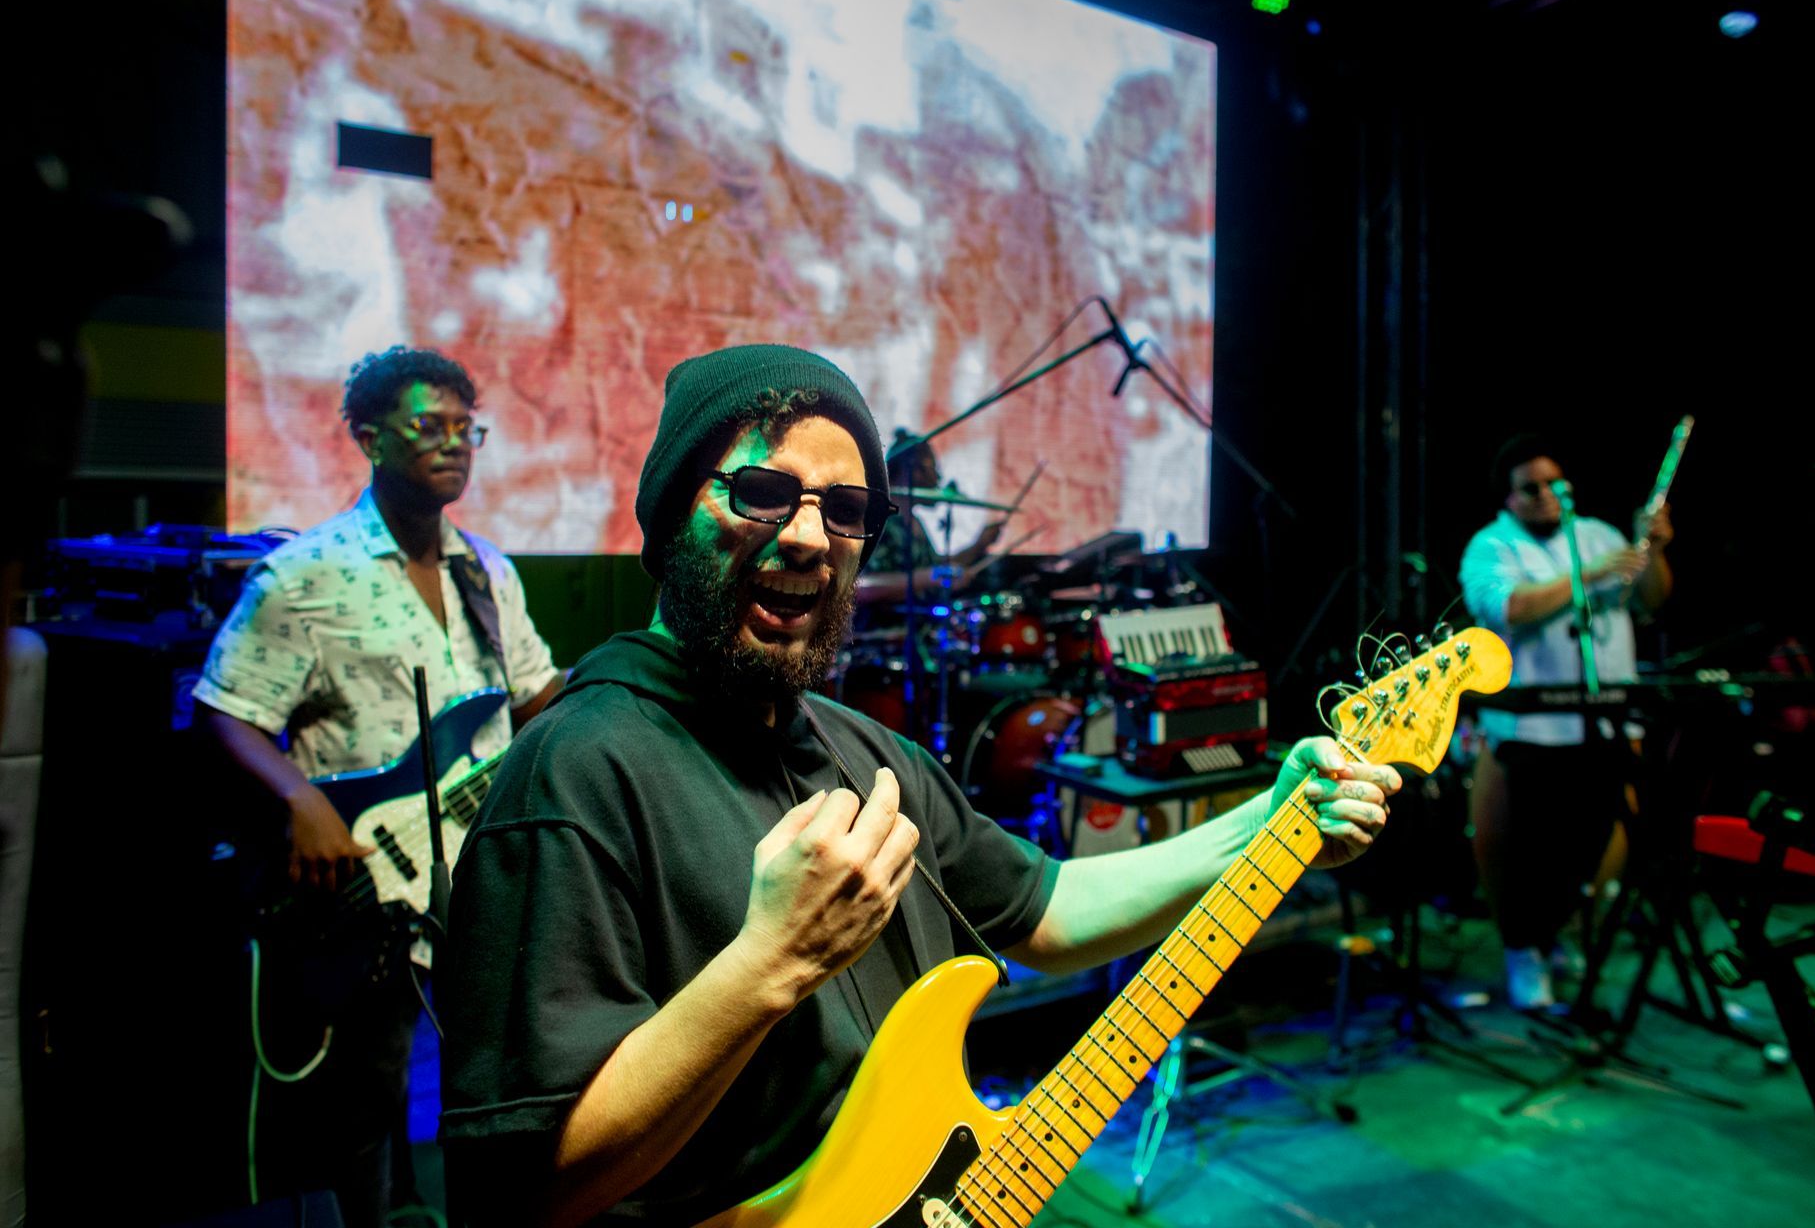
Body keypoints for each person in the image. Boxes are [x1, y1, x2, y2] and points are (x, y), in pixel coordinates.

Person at [437, 343, 1399, 1227]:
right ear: (672, 510)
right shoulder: (573, 772)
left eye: (847, 512)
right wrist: (768, 964)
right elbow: (520, 1189)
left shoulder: (868, 756)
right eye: (764, 492)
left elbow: (1051, 912)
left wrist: (1271, 821)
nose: (812, 537)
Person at [194, 345, 561, 1226]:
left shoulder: (489, 572)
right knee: (365, 1109)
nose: (453, 445)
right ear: (368, 437)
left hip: (480, 874)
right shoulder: (306, 574)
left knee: (492, 1085)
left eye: (465, 429)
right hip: (369, 883)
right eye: (427, 426)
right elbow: (225, 710)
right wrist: (302, 801)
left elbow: (537, 696)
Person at [1457, 433, 1673, 1010]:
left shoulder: (1597, 534)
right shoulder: (1491, 546)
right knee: (1528, 849)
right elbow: (1509, 608)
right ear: (1509, 498)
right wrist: (1592, 574)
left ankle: (1562, 937)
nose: (1548, 496)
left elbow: (1650, 599)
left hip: (1605, 720)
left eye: (1556, 484)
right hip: (1530, 728)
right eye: (1532, 488)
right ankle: (1522, 949)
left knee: (1595, 840)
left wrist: (1654, 551)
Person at [852, 431, 1005, 611]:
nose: (938, 478)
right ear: (914, 471)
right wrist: (932, 577)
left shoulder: (914, 522)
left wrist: (979, 545)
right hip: (884, 634)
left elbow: (934, 568)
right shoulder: (879, 521)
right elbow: (859, 587)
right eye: (933, 468)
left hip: (923, 632)